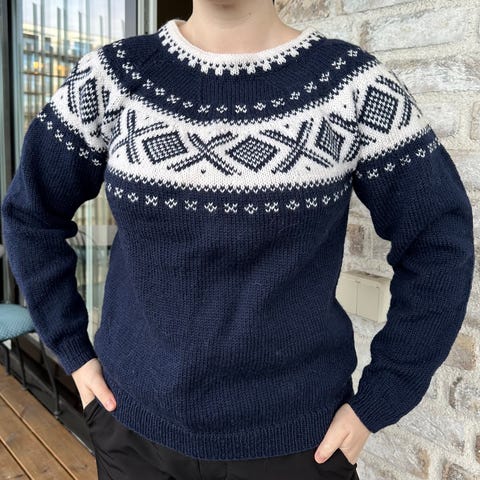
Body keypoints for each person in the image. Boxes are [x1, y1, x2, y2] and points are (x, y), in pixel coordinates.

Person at [1, 0, 475, 478]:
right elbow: (31, 214)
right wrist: (73, 352)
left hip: (297, 446)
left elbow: (439, 242)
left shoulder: (352, 87)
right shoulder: (110, 78)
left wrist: (379, 398)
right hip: (133, 431)